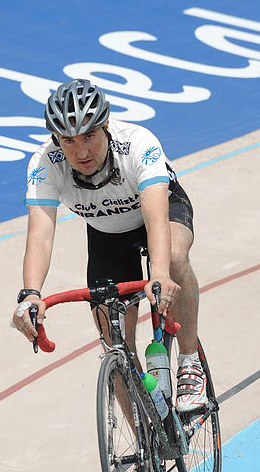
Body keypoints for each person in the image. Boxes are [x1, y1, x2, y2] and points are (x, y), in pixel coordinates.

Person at [12, 79, 208, 417]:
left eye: (89, 136)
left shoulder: (137, 144)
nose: (81, 151)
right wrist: (30, 293)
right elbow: (40, 234)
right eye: (68, 141)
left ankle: (190, 363)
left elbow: (157, 219)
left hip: (157, 213)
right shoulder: (44, 163)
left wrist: (159, 274)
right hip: (106, 234)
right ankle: (147, 456)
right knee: (114, 345)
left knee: (174, 256)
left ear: (105, 127)